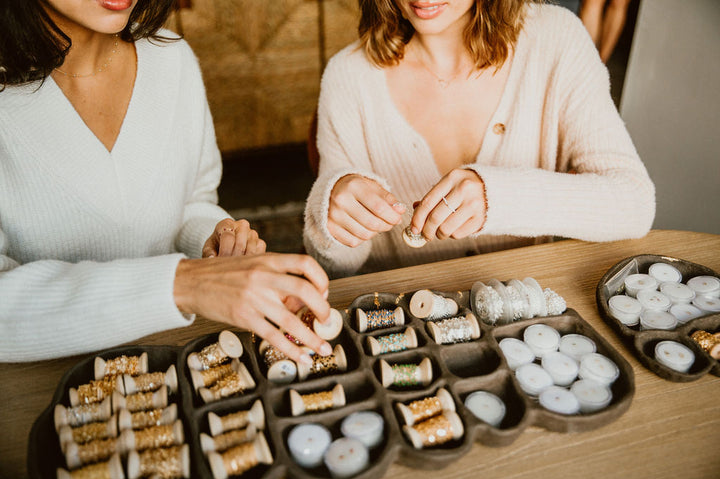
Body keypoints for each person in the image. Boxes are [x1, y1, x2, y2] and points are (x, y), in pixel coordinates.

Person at [0, 0, 332, 363]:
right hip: (38, 389)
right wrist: (182, 284)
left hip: (176, 364)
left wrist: (215, 238)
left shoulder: (171, 57)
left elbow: (193, 201)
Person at [303, 0, 654, 278]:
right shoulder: (347, 76)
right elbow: (338, 265)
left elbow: (634, 203)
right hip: (407, 324)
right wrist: (331, 215)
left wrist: (498, 198)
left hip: (531, 316)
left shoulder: (555, 39)